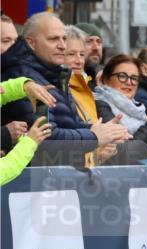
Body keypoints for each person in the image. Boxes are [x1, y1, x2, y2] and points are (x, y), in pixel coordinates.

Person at [1, 13, 129, 156]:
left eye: (64, 39)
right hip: (34, 174)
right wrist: (93, 136)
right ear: (31, 43)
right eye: (54, 39)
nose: (62, 45)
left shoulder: (57, 75)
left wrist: (105, 130)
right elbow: (46, 137)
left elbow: (71, 124)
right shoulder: (22, 76)